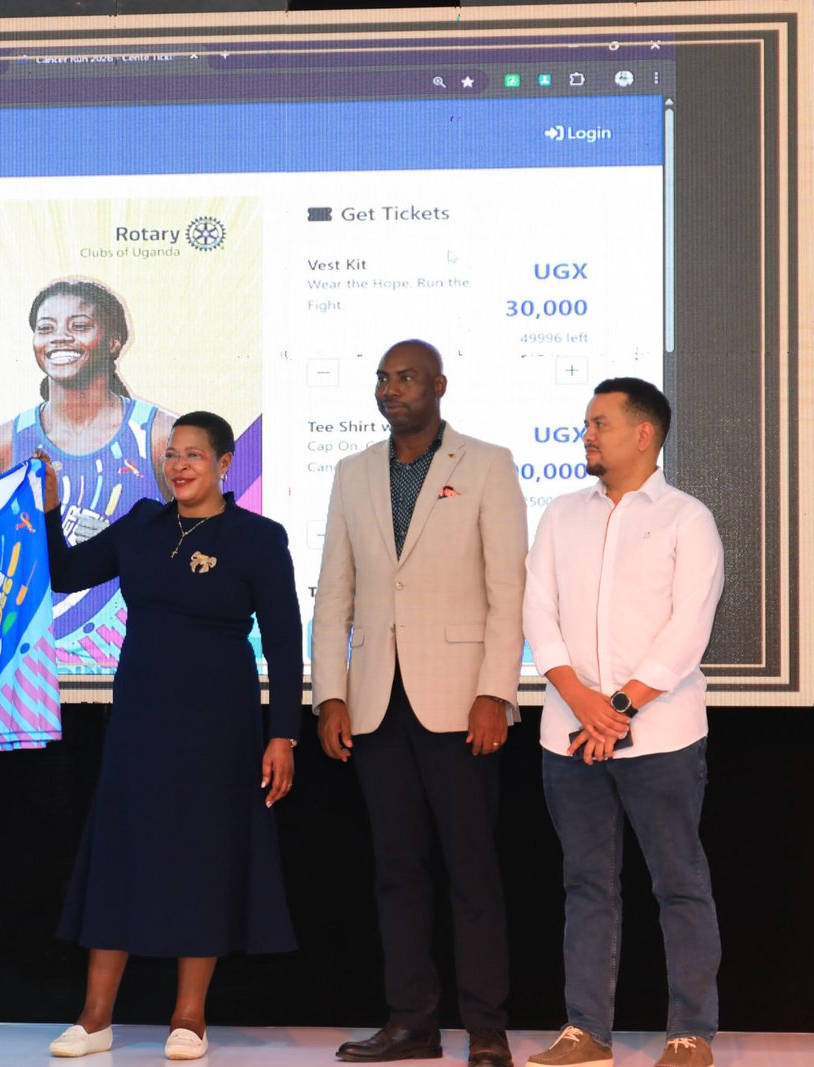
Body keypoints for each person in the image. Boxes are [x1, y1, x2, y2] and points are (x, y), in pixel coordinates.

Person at [38, 410, 301, 1063]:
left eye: (193, 455)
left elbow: (284, 641)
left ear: (224, 463)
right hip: (141, 718)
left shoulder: (257, 537)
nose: (179, 466)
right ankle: (95, 1016)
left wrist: (283, 736)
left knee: (203, 857)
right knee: (120, 852)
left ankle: (189, 1016)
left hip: (220, 723)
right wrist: (49, 510)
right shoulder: (141, 525)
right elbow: (64, 573)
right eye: (171, 455)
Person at [312, 340, 526, 1067]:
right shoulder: (352, 472)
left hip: (461, 703)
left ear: (439, 385)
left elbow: (508, 591)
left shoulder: (487, 464)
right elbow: (334, 593)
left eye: (406, 377)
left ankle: (487, 1026)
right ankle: (412, 1023)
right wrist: (330, 694)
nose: (390, 388)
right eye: (382, 377)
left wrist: (495, 691)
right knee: (396, 871)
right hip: (376, 703)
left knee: (472, 870)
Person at [522, 378, 724, 1067]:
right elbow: (538, 610)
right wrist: (580, 699)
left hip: (662, 736)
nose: (586, 435)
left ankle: (690, 1033)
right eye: (586, 423)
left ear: (643, 434)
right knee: (586, 885)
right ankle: (587, 1032)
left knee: (679, 883)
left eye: (599, 423)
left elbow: (688, 628)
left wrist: (618, 708)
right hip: (568, 733)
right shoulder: (560, 514)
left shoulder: (687, 519)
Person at [0, 279, 178, 671]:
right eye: (45, 328)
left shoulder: (160, 436)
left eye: (79, 325)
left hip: (144, 662)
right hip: (31, 671)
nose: (59, 338)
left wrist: (122, 546)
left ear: (113, 342)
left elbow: (205, 550)